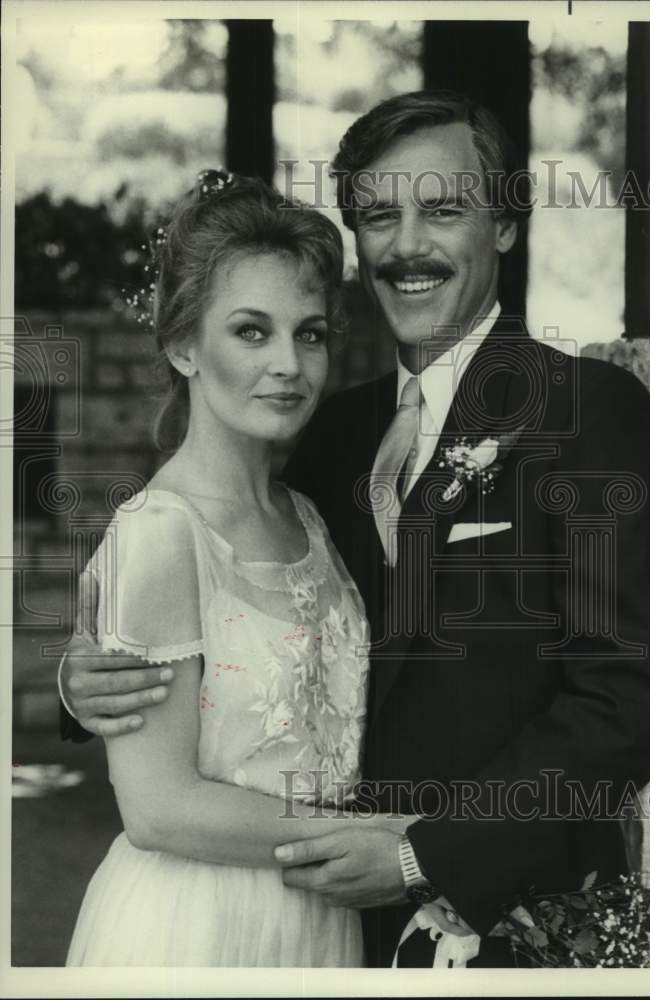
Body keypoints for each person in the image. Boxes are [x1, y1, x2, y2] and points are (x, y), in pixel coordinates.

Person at [60, 92, 650, 968]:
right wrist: (94, 672)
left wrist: (423, 851)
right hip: (326, 925)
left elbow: (632, 702)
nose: (407, 245)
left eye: (442, 210)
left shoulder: (588, 414)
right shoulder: (328, 434)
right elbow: (245, 601)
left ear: (505, 225)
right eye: (379, 216)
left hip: (515, 920)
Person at [62, 170, 412, 967]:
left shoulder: (313, 513)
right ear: (184, 344)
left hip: (318, 919)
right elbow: (157, 808)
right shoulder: (157, 532)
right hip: (196, 923)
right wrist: (377, 840)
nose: (288, 363)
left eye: (310, 333)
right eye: (251, 331)